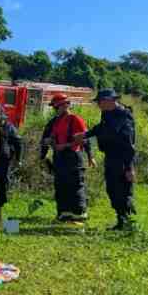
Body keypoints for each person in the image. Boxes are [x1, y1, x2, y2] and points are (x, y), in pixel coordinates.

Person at [75, 89, 137, 230]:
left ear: (109, 100)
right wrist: (86, 134)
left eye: (100, 102)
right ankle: (121, 220)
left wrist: (129, 168)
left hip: (122, 158)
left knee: (122, 190)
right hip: (111, 156)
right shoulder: (107, 113)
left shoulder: (124, 116)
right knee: (112, 189)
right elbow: (101, 128)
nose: (98, 105)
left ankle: (126, 222)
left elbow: (129, 144)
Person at [40, 93, 95, 222]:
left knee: (75, 186)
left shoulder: (75, 119)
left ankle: (79, 215)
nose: (56, 109)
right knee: (61, 186)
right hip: (59, 158)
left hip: (73, 157)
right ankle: (64, 214)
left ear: (66, 105)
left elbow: (84, 140)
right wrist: (47, 144)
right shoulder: (54, 122)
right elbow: (47, 138)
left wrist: (90, 156)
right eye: (54, 107)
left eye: (57, 107)